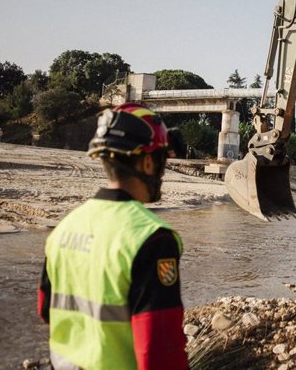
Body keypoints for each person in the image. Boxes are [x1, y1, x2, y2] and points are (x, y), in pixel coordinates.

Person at [37, 103, 189, 370]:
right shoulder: (152, 239)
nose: (163, 173)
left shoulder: (65, 227)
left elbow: (45, 309)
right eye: (163, 162)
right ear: (147, 161)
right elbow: (159, 352)